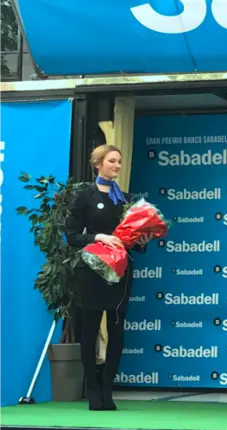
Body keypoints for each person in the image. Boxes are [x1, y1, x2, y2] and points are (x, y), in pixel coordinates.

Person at [64, 144, 149, 411]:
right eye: (112, 161)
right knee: (89, 327)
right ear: (98, 163)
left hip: (120, 271)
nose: (117, 166)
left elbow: (135, 240)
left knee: (116, 329)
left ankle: (107, 388)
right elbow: (72, 236)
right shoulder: (83, 197)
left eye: (120, 162)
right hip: (91, 270)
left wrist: (142, 239)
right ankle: (92, 388)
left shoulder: (125, 199)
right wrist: (98, 237)